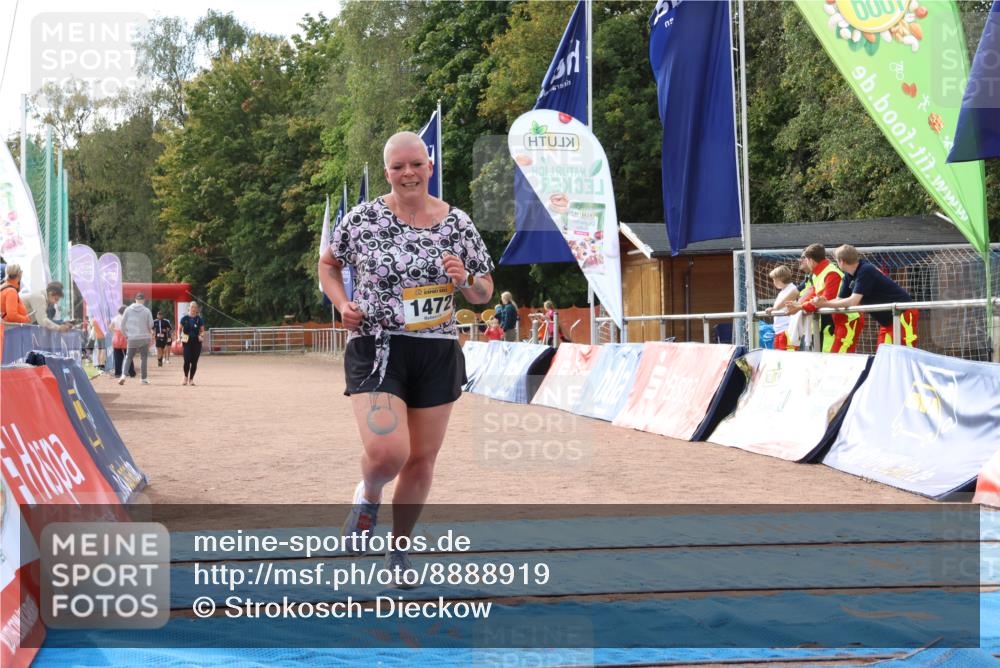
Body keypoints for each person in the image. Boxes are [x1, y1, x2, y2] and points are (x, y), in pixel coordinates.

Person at [318, 130, 494, 584]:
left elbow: (482, 292)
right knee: (387, 453)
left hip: (436, 349)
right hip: (378, 345)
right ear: (387, 172)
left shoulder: (458, 224)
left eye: (415, 164)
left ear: (429, 167)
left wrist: (464, 280)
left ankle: (399, 550)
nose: (408, 173)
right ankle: (369, 495)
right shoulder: (364, 219)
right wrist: (342, 304)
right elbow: (328, 264)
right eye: (398, 167)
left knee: (420, 460)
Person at [813, 244, 919, 347]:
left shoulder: (866, 270)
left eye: (836, 261)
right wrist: (823, 302)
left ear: (841, 261)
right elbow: (839, 299)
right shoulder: (848, 275)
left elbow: (853, 301)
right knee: (883, 354)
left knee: (904, 352)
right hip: (888, 320)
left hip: (903, 314)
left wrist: (825, 304)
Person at [784, 243, 863, 353]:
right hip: (834, 322)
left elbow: (823, 299)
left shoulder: (831, 273)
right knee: (830, 358)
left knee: (839, 359)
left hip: (847, 320)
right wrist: (798, 305)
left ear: (811, 260)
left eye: (805, 259)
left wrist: (799, 307)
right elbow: (815, 295)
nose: (804, 262)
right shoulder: (818, 273)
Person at [119, 293, 154, 385]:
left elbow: (122, 324)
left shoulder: (127, 310)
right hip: (144, 337)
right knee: (144, 358)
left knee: (128, 357)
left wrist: (126, 334)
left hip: (132, 337)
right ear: (143, 300)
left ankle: (123, 375)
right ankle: (143, 379)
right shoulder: (147, 310)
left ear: (135, 300)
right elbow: (151, 325)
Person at [764, 266, 799, 350]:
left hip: (787, 331)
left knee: (788, 358)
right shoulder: (782, 291)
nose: (774, 282)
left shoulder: (793, 289)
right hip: (779, 330)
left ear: (781, 278)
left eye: (774, 279)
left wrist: (774, 309)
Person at [178, 302, 206, 385]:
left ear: (197, 309)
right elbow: (179, 329)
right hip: (186, 341)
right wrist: (179, 337)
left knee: (194, 362)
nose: (193, 309)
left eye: (195, 307)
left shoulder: (199, 319)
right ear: (189, 308)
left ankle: (191, 379)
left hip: (196, 342)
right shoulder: (184, 318)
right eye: (192, 307)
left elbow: (202, 331)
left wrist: (201, 335)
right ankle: (185, 377)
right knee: (186, 360)